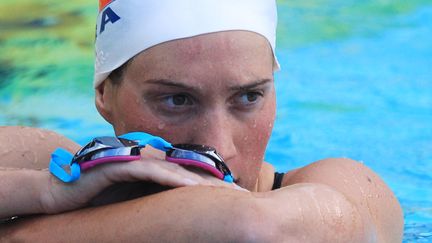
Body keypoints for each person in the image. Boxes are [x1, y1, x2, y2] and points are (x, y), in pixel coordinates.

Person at [0, 0, 403, 242]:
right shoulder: (51, 169)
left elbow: (251, 230)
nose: (219, 145)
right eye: (177, 100)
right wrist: (44, 192)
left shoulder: (340, 185)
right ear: (105, 95)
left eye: (248, 97)